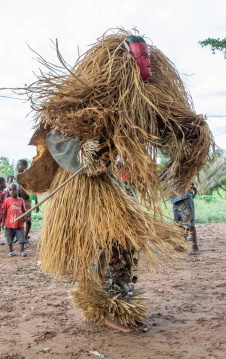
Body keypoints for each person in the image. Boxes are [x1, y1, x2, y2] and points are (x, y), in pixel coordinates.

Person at [17, 31, 213, 332]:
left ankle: (102, 301)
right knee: (114, 242)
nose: (145, 64)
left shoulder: (140, 102)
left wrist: (186, 136)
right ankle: (109, 306)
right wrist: (83, 152)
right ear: (123, 63)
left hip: (107, 184)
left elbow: (159, 133)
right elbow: (55, 134)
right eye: (140, 58)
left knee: (117, 243)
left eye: (147, 58)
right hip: (80, 187)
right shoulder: (83, 100)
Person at [15, 159, 39, 243]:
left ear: (25, 166)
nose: (18, 167)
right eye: (17, 165)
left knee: (28, 219)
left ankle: (25, 236)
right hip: (19, 202)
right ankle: (19, 237)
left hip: (27, 201)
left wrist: (36, 203)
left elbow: (33, 190)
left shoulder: (29, 177)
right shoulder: (17, 176)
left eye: (20, 165)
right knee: (19, 219)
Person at [171, 183, 199, 255]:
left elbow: (195, 190)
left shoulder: (183, 173)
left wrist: (191, 197)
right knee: (178, 225)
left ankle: (195, 247)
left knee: (189, 225)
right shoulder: (169, 173)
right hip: (175, 202)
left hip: (185, 200)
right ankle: (180, 246)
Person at [2, 182, 27, 257]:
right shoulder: (7, 200)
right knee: (9, 238)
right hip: (9, 223)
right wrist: (3, 223)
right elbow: (4, 212)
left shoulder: (21, 200)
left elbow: (23, 210)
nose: (12, 191)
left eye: (14, 190)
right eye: (10, 190)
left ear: (18, 190)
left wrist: (24, 217)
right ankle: (11, 251)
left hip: (19, 223)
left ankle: (22, 251)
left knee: (21, 237)